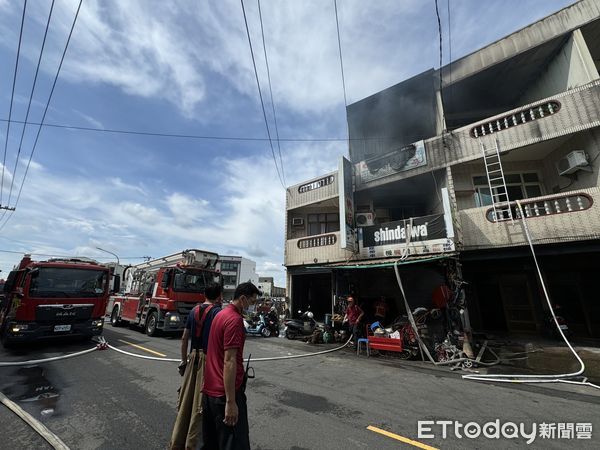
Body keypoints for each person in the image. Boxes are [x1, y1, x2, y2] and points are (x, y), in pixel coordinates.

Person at [201, 282, 261, 450]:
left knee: (211, 443)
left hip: (210, 394)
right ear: (242, 299)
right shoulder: (234, 320)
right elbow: (229, 361)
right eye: (252, 301)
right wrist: (231, 401)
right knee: (234, 443)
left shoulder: (220, 314)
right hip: (224, 395)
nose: (253, 306)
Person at [169, 282, 223, 450]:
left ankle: (176, 442)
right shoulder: (218, 313)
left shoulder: (193, 311)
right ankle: (192, 445)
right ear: (219, 296)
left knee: (186, 402)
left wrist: (184, 361)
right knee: (200, 406)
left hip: (193, 358)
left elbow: (185, 338)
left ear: (204, 295)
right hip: (208, 361)